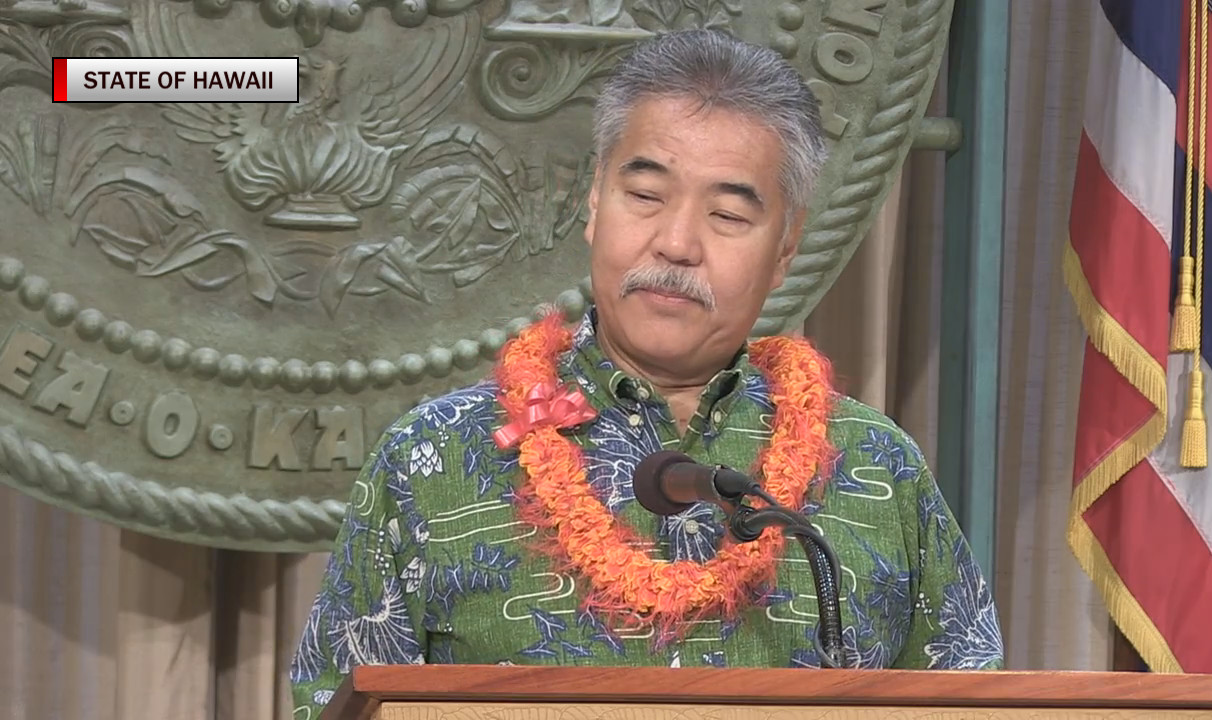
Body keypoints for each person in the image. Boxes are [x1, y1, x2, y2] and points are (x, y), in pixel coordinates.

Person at [290, 28, 1004, 717]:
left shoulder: (876, 466)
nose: (677, 243)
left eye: (728, 214)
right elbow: (330, 704)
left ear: (785, 250)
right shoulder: (433, 457)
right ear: (594, 204)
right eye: (646, 195)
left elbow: (977, 703)